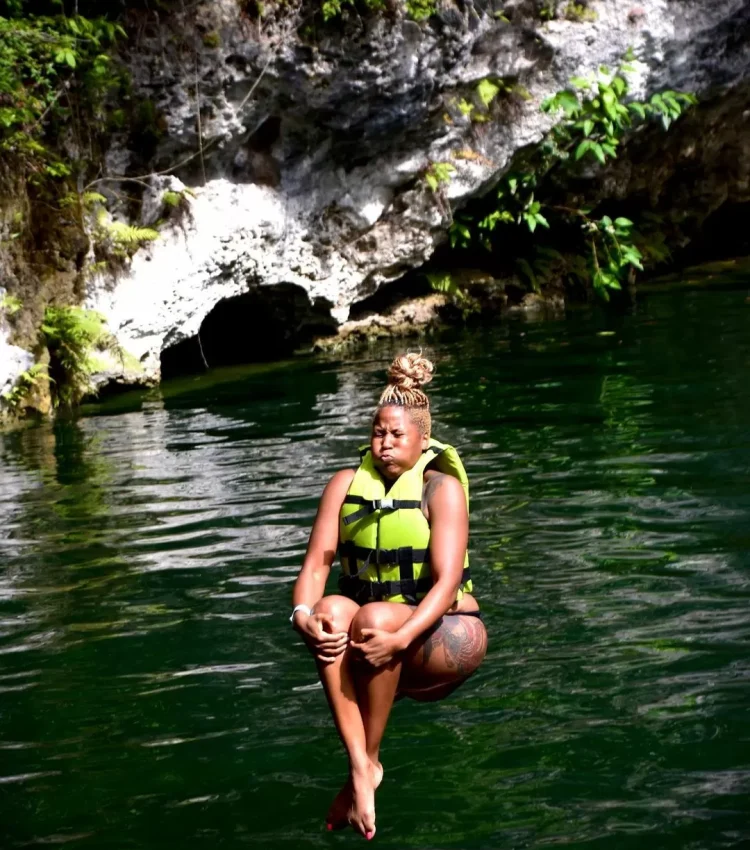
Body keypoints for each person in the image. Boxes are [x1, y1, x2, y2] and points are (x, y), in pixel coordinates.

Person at [290, 353, 488, 839]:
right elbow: (315, 566)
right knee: (332, 611)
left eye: (398, 434)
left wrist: (401, 641)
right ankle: (362, 766)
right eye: (379, 432)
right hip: (370, 630)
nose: (385, 443)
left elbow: (445, 584)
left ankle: (368, 762)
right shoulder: (343, 484)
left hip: (445, 634)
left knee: (376, 617)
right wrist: (301, 616)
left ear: (423, 439)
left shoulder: (440, 488)